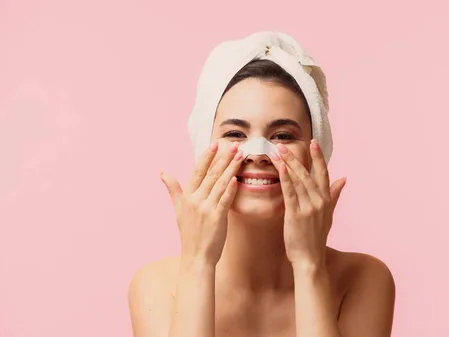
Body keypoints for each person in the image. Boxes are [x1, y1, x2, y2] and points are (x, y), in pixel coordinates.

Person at [128, 31, 396, 337]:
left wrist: (309, 265)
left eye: (282, 135)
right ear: (204, 147)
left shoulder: (364, 280)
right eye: (235, 134)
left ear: (316, 150)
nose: (258, 153)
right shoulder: (156, 285)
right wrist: (198, 261)